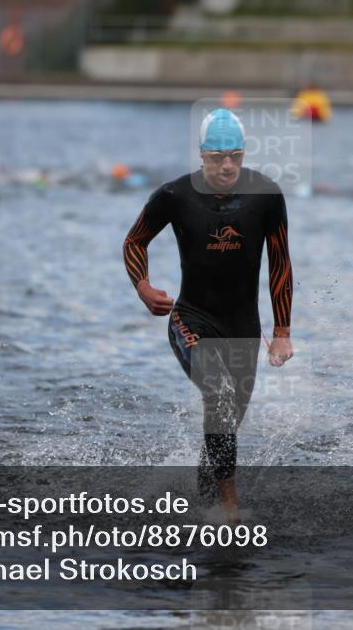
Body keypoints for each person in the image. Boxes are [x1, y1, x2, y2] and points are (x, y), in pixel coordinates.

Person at [122, 109, 294, 522]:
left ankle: (201, 496)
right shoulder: (174, 196)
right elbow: (134, 242)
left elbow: (281, 263)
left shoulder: (265, 196)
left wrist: (282, 330)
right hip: (191, 320)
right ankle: (229, 508)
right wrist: (143, 287)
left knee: (227, 420)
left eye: (234, 156)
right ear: (202, 155)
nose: (227, 166)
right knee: (216, 394)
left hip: (243, 329)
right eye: (217, 158)